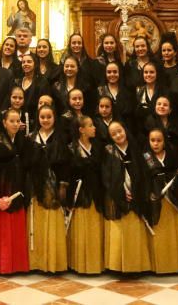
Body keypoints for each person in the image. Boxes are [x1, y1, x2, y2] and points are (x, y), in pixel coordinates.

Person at [100, 120, 151, 273]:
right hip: (117, 198)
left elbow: (143, 173)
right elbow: (106, 177)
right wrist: (121, 192)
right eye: (113, 133)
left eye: (120, 131)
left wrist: (136, 191)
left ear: (125, 130)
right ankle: (117, 266)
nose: (118, 135)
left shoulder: (136, 149)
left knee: (134, 234)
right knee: (118, 234)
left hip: (136, 196)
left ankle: (135, 266)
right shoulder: (108, 151)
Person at [0, 108, 29, 274]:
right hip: (1, 185)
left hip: (17, 185)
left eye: (18, 121)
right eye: (12, 121)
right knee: (0, 223)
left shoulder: (22, 140)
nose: (15, 124)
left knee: (15, 223)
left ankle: (16, 264)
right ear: (4, 122)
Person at [142, 128, 178, 273]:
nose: (156, 144)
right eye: (153, 140)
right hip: (156, 199)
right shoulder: (145, 157)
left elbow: (177, 173)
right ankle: (159, 266)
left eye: (159, 140)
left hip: (172, 199)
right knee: (159, 233)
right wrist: (150, 193)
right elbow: (143, 179)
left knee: (174, 232)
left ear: (164, 141)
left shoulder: (172, 154)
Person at [25, 104, 68, 272]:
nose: (45, 120)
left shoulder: (61, 138)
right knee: (37, 223)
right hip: (35, 186)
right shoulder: (30, 137)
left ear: (54, 118)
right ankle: (36, 263)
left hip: (54, 186)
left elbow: (65, 164)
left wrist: (63, 185)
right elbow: (27, 163)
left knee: (53, 224)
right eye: (42, 117)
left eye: (49, 117)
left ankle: (54, 263)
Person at [66, 116, 104, 274]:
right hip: (79, 193)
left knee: (95, 229)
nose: (94, 128)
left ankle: (97, 264)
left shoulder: (99, 147)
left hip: (96, 192)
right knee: (81, 230)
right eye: (90, 125)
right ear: (81, 130)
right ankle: (79, 264)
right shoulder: (71, 148)